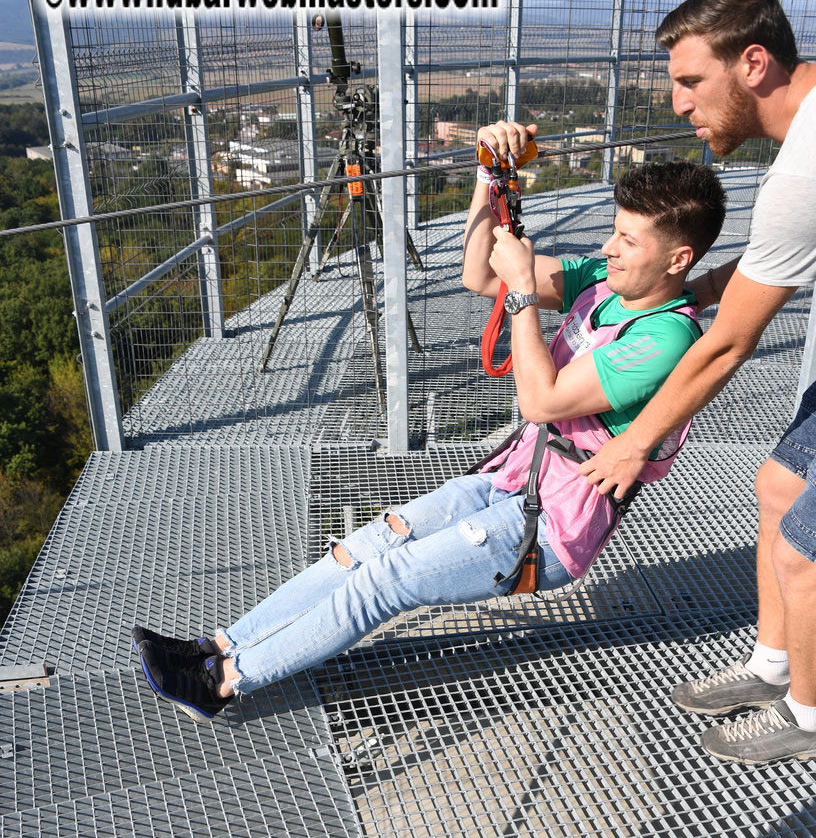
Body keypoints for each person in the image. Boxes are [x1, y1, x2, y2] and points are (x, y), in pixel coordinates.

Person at [132, 153, 725, 725]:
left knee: (384, 583)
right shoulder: (606, 284)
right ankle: (215, 647)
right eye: (613, 232)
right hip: (511, 482)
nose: (607, 248)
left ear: (678, 259)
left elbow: (540, 400)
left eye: (628, 240)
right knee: (361, 550)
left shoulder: (664, 339)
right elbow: (479, 275)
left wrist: (522, 290)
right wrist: (488, 178)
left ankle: (224, 682)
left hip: (549, 527)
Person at [573, 0, 816, 765]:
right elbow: (769, 267)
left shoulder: (803, 170)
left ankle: (811, 718)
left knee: (804, 552)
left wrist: (637, 441)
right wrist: (703, 286)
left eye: (688, 81)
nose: (679, 104)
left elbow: (724, 345)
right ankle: (774, 669)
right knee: (779, 488)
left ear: (752, 63)